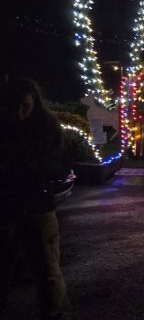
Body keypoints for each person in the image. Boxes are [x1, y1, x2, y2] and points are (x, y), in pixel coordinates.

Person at [0, 77, 72, 320]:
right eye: (13, 106)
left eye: (25, 106)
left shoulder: (47, 127)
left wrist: (31, 167)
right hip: (6, 206)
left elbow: (61, 167)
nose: (18, 112)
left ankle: (57, 315)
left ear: (35, 103)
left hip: (38, 206)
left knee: (48, 272)